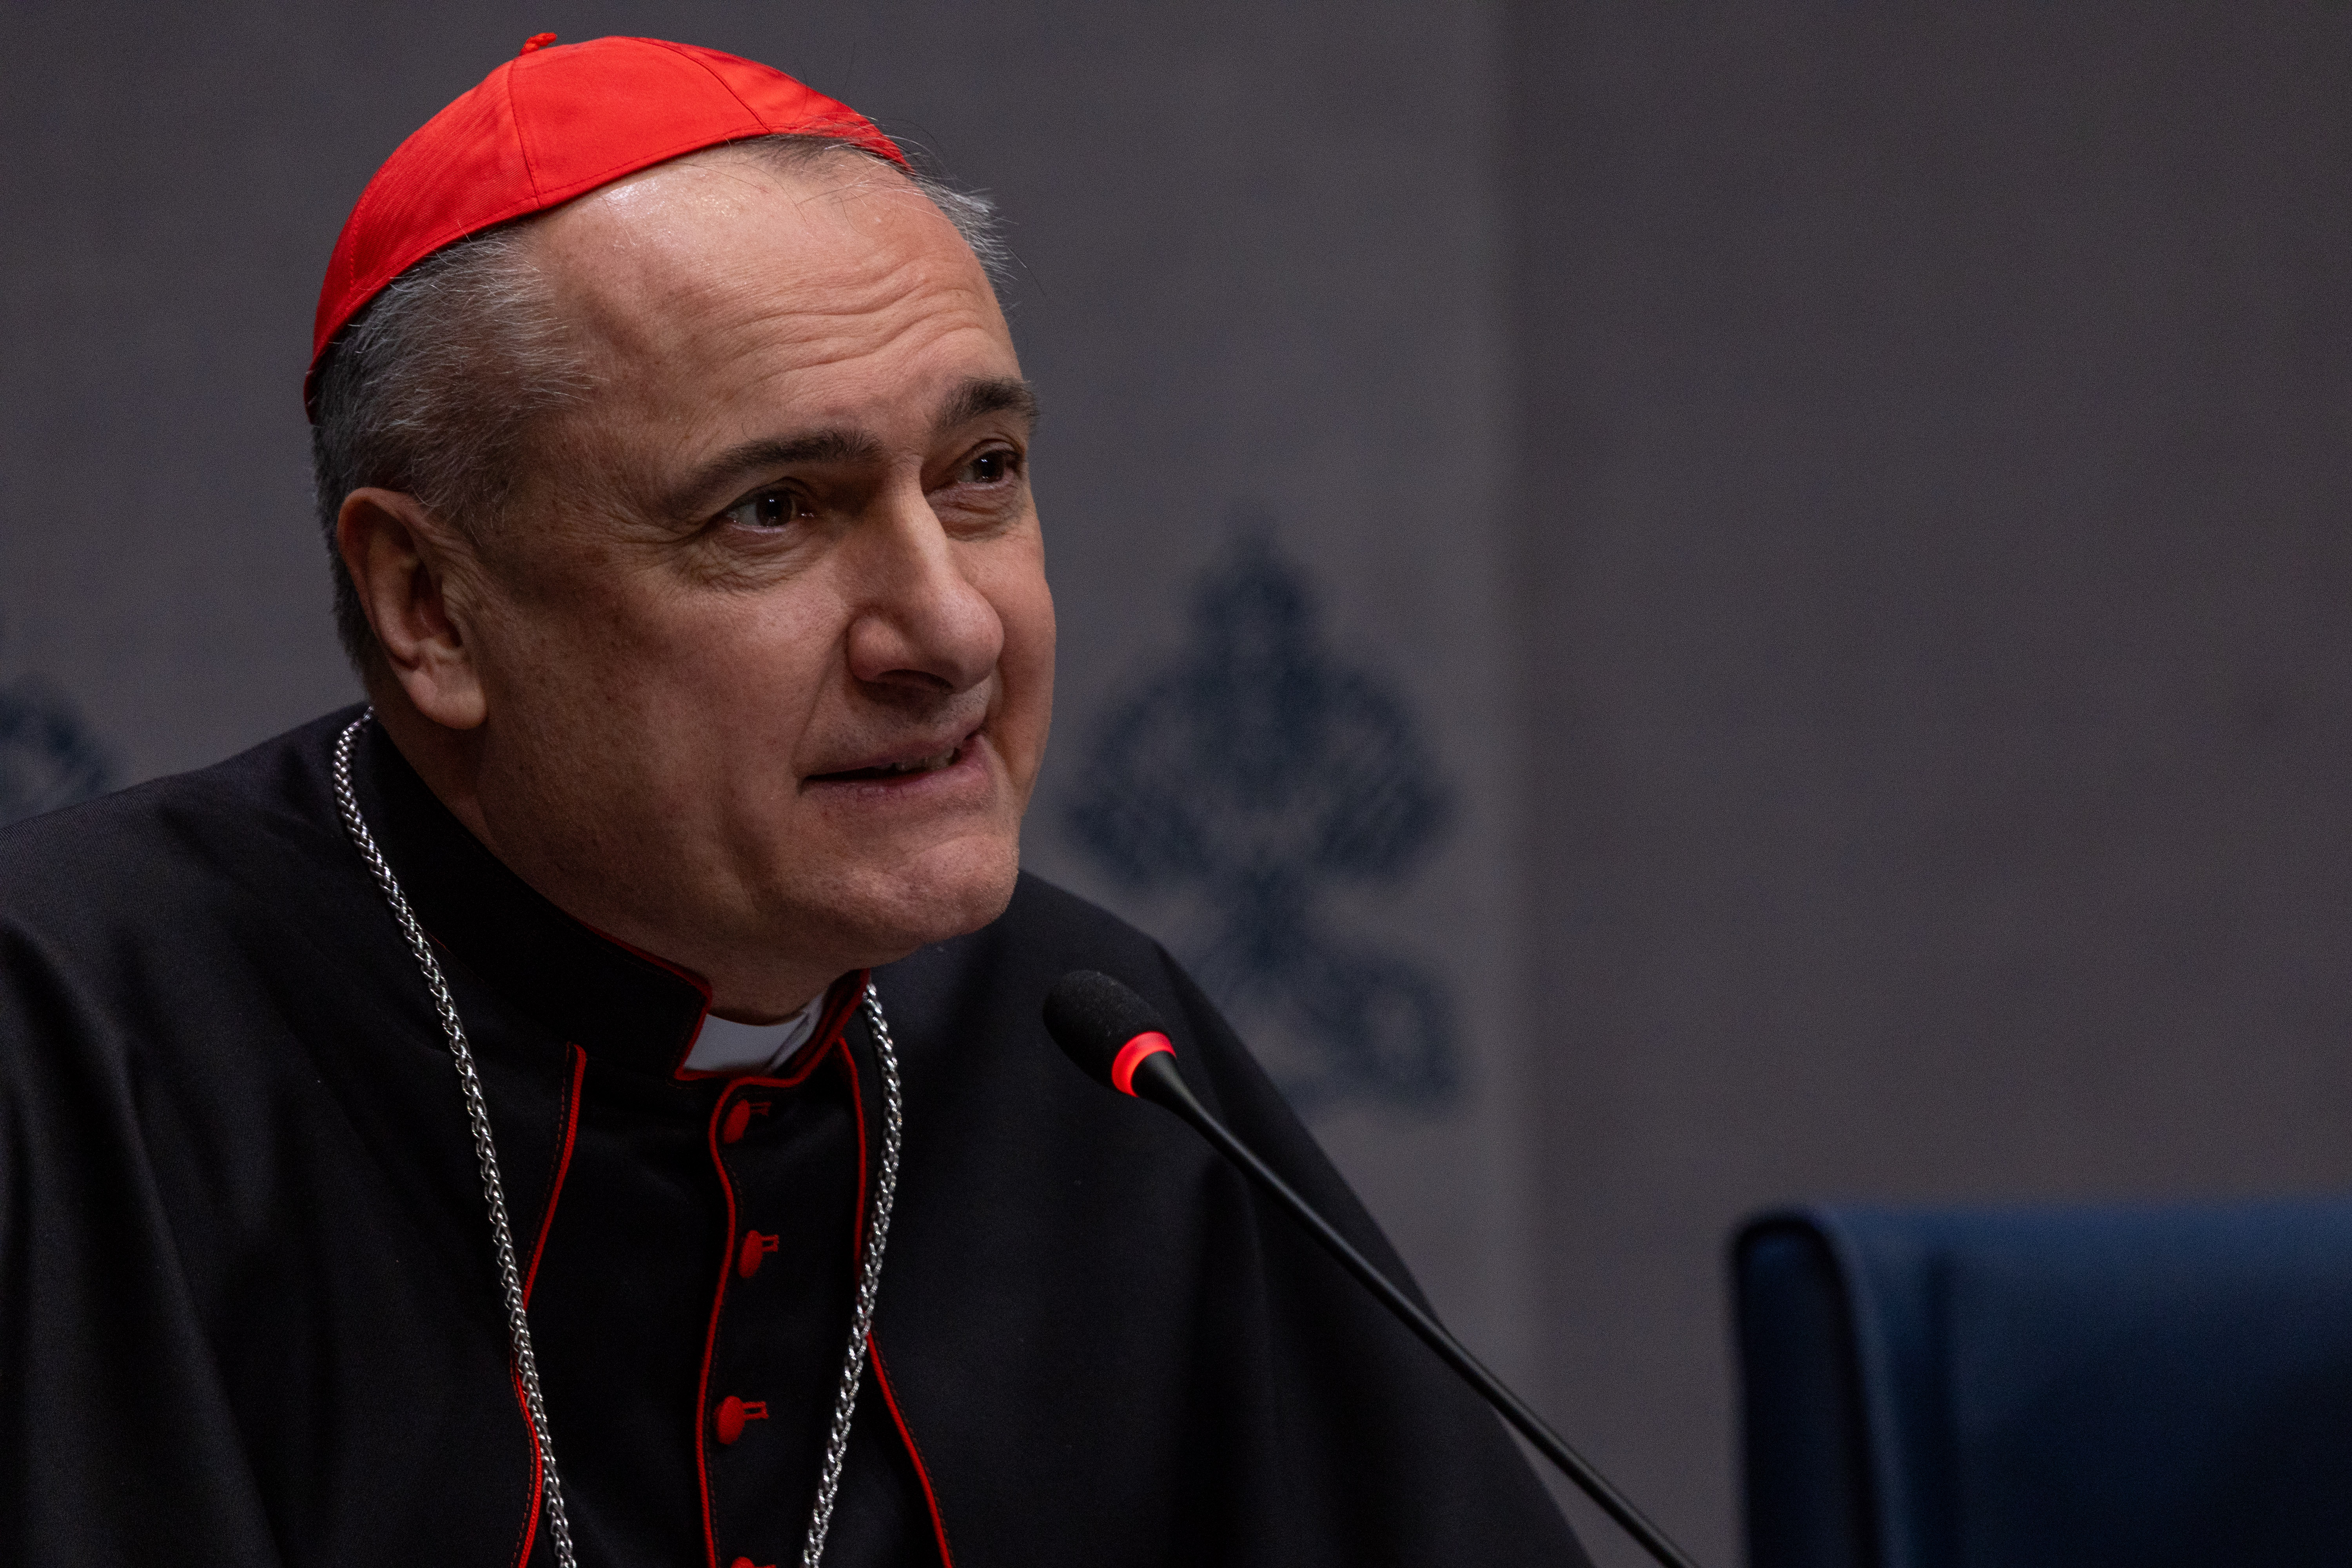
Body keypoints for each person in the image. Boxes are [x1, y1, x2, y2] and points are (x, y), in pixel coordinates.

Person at [0, 35, 1590, 1568]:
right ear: (430, 604)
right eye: (773, 511)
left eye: (982, 474)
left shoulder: (1093, 1050)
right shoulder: (65, 1039)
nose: (950, 630)